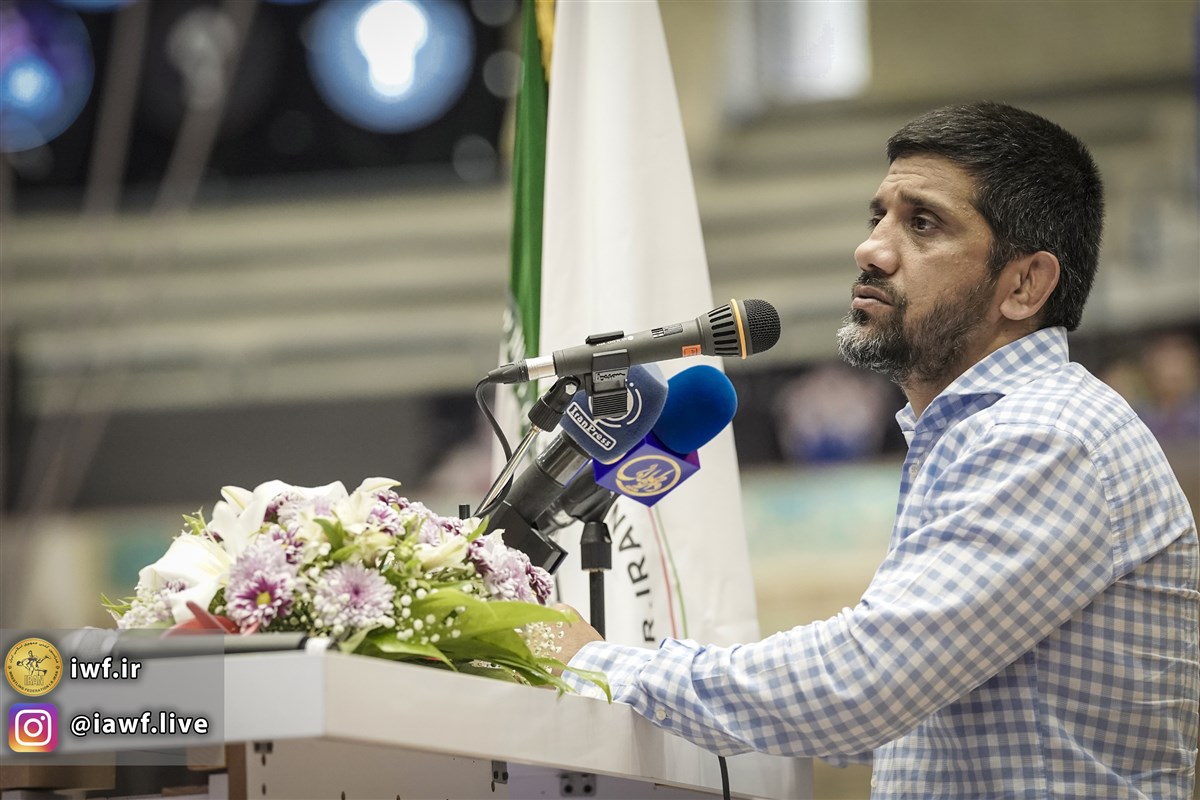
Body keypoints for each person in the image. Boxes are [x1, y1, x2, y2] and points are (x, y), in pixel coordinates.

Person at [556, 102, 1199, 799]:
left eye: (922, 223)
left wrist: (597, 665)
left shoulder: (1050, 434)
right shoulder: (983, 430)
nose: (871, 250)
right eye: (879, 216)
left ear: (1024, 285)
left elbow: (859, 687)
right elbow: (890, 701)